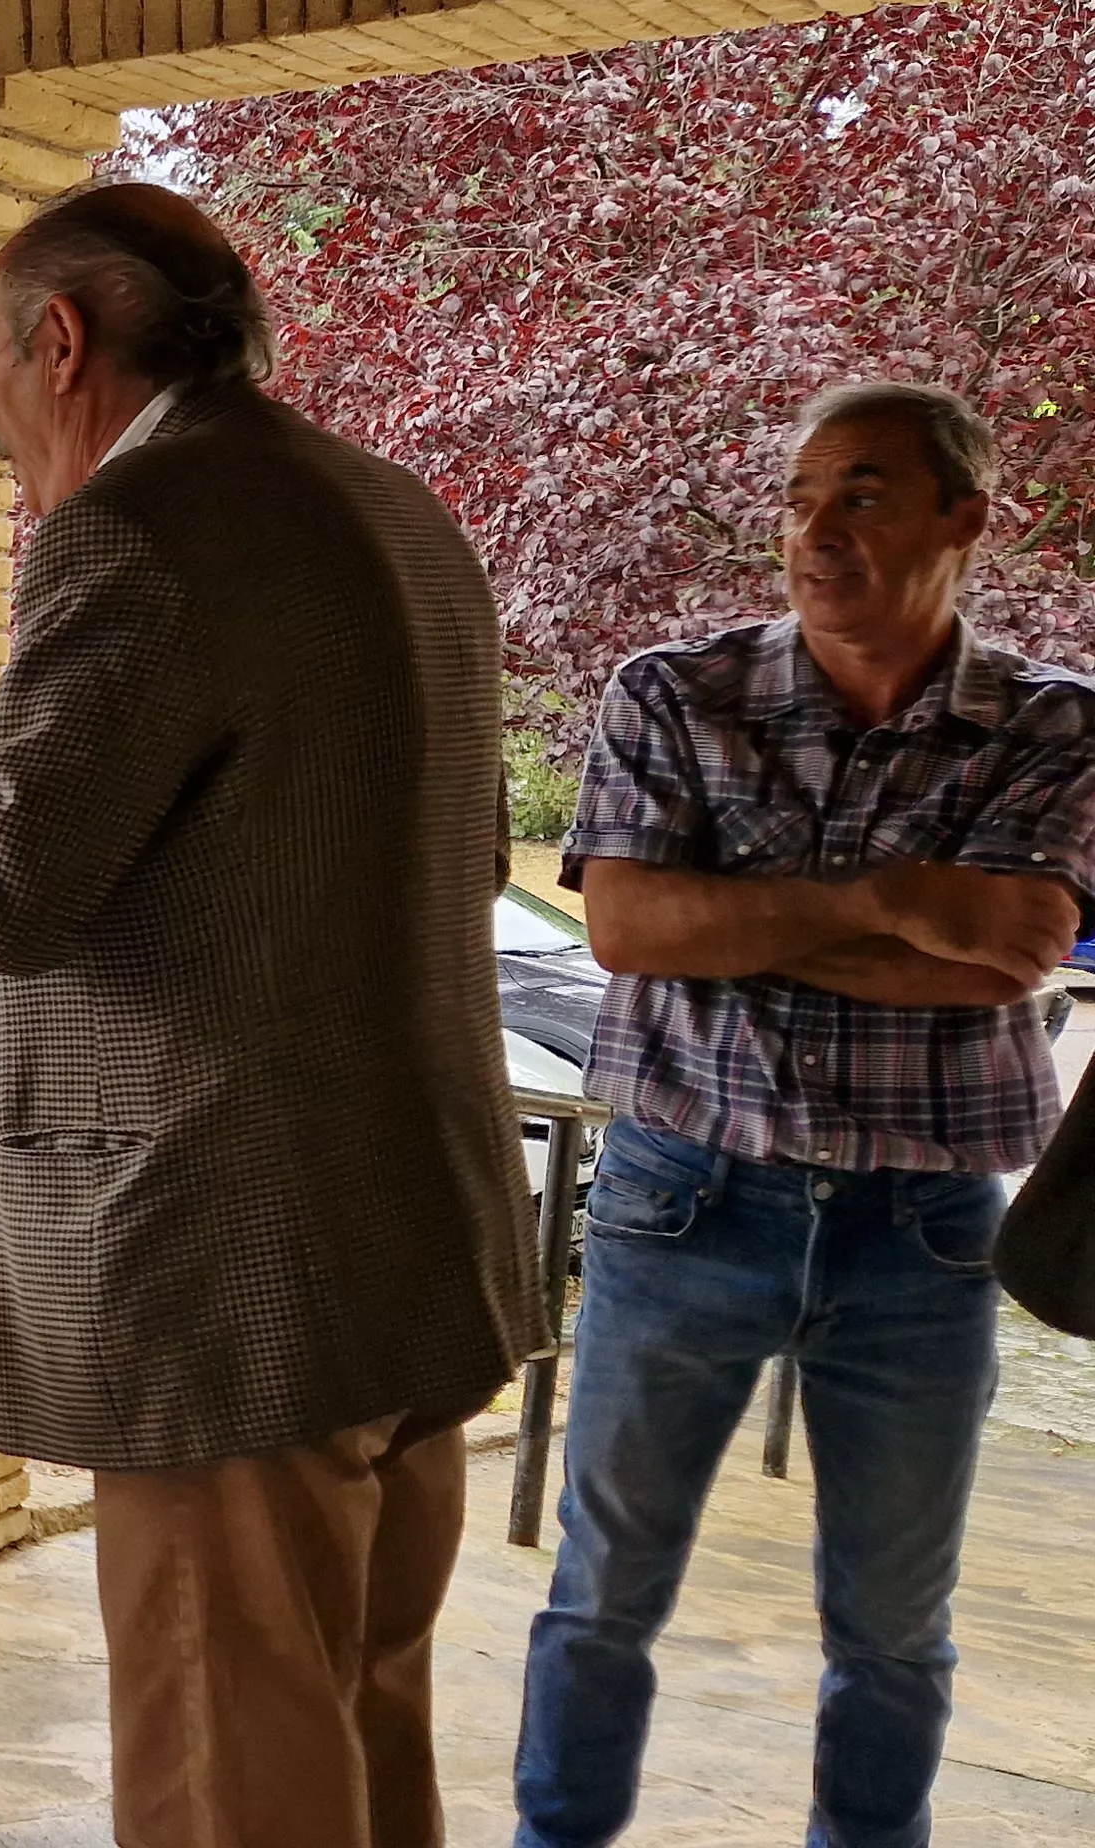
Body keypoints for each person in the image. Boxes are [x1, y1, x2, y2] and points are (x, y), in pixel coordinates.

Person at [0, 180, 543, 1848]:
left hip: (228, 1282)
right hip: (412, 1247)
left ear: (62, 341)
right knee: (356, 1730)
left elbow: (5, 889)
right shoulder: (397, 513)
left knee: (229, 1775)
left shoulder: (137, 530)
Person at [515, 382, 1095, 1848]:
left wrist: (738, 923)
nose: (815, 529)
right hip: (684, 1196)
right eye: (798, 497)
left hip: (924, 1231)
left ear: (966, 517)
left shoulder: (1050, 720)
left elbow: (1014, 950)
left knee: (894, 1627)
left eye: (863, 495)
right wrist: (895, 898)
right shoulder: (674, 692)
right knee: (600, 1595)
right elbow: (629, 931)